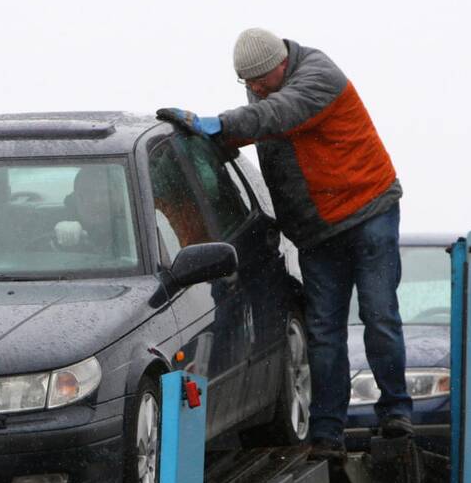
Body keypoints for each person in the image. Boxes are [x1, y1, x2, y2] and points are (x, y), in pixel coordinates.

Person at [158, 27, 413, 458]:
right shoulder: (266, 93)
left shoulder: (319, 76)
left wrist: (220, 122)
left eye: (259, 80)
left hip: (368, 211)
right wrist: (198, 139)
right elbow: (258, 122)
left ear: (281, 64)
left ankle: (396, 411)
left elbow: (278, 115)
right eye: (248, 84)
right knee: (323, 332)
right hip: (317, 232)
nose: (254, 90)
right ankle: (328, 432)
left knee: (378, 313)